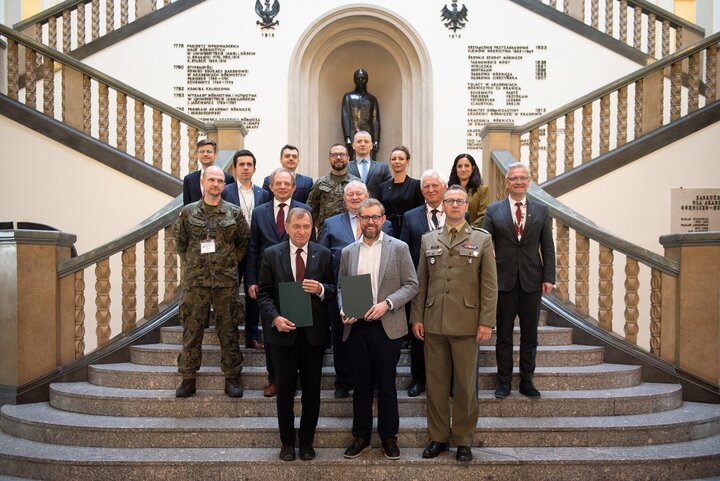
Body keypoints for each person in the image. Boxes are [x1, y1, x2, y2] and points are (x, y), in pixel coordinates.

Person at [410, 185, 497, 463]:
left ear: (466, 206)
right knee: (435, 385)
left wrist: (486, 322)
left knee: (465, 386)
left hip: (467, 324)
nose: (455, 205)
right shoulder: (428, 239)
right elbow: (421, 283)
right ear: (443, 206)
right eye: (450, 201)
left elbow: (489, 286)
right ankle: (438, 437)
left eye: (460, 201)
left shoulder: (482, 240)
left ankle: (463, 439)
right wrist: (417, 317)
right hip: (433, 323)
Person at [338, 198, 418, 460]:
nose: (370, 222)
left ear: (383, 219)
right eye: (365, 217)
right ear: (358, 219)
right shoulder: (349, 251)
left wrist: (387, 303)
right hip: (357, 327)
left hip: (387, 326)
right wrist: (343, 307)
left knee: (386, 385)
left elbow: (411, 285)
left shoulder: (399, 248)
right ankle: (360, 436)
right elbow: (341, 286)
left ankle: (388, 438)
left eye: (375, 217)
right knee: (360, 385)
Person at [256, 208, 334, 462]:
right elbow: (264, 293)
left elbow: (334, 288)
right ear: (287, 227)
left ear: (313, 229)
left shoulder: (323, 254)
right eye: (297, 226)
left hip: (313, 336)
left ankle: (307, 442)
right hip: (282, 335)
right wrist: (275, 318)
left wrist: (321, 288)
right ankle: (287, 442)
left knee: (312, 391)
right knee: (286, 391)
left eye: (307, 227)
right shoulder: (271, 254)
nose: (302, 231)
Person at [174, 166, 249, 398]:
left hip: (226, 282)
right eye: (212, 180)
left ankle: (232, 377)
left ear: (224, 185)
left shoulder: (234, 213)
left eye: (220, 181)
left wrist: (226, 263)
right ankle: (188, 378)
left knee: (229, 330)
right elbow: (181, 243)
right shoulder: (187, 213)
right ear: (202, 183)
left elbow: (242, 243)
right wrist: (195, 264)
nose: (216, 184)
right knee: (192, 329)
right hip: (196, 282)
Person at [482, 162, 556, 400]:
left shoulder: (541, 211)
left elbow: (548, 247)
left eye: (523, 178)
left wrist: (549, 277)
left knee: (530, 335)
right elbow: (485, 244)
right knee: (503, 335)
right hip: (503, 283)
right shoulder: (494, 210)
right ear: (507, 182)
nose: (519, 182)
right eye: (514, 178)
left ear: (529, 181)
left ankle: (527, 381)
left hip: (531, 282)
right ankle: (503, 381)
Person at [318, 181, 393, 399]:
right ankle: (343, 381)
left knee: (376, 341)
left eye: (359, 193)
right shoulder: (331, 223)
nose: (354, 197)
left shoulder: (383, 225)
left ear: (367, 195)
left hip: (377, 292)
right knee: (343, 339)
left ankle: (378, 380)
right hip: (343, 290)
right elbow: (323, 255)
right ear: (344, 198)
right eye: (350, 194)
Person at [246, 168, 315, 397]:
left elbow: (312, 247)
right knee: (272, 331)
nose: (283, 187)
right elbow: (253, 248)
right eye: (279, 183)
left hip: (296, 280)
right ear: (271, 186)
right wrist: (252, 280)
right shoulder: (259, 212)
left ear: (294, 187)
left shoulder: (306, 211)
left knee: (298, 331)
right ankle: (275, 379)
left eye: (288, 183)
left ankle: (298, 377)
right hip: (268, 281)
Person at [399, 170, 447, 397]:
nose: (430, 189)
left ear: (444, 187)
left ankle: (449, 380)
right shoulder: (410, 217)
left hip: (450, 284)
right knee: (419, 334)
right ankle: (419, 379)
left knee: (448, 333)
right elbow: (404, 250)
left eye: (434, 185)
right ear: (421, 191)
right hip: (420, 284)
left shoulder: (456, 211)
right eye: (426, 186)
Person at [222, 149, 272, 350]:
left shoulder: (264, 194)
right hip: (231, 253)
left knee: (254, 294)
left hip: (256, 252)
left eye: (248, 165)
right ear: (234, 168)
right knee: (229, 295)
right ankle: (230, 335)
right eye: (241, 164)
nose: (245, 168)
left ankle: (252, 335)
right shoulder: (225, 191)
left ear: (254, 168)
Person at [306, 143, 361, 231]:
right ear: (329, 159)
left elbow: (365, 207)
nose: (338, 157)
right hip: (326, 233)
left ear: (348, 158)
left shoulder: (358, 183)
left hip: (352, 233)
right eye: (334, 155)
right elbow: (311, 209)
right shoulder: (320, 183)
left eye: (342, 154)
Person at [376, 146, 424, 236]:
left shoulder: (416, 185)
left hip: (410, 229)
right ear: (390, 162)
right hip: (387, 230)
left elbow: (420, 211)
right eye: (394, 159)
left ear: (407, 161)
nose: (397, 161)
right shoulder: (383, 187)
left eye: (401, 159)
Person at [341, 68, 381, 156]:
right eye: (358, 78)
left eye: (363, 78)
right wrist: (347, 137)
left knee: (370, 164)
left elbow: (375, 121)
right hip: (353, 136)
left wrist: (376, 140)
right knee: (353, 163)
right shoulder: (348, 97)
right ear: (354, 80)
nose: (360, 80)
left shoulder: (372, 99)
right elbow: (345, 117)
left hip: (369, 136)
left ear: (367, 80)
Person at [182, 139, 234, 205]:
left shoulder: (228, 178)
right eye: (202, 151)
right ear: (197, 154)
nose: (205, 154)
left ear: (215, 154)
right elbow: (186, 205)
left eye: (209, 151)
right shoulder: (189, 179)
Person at [347, 131, 392, 199]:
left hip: (375, 207)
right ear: (353, 146)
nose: (362, 144)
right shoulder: (346, 167)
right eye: (359, 141)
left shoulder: (383, 168)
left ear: (371, 145)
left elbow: (388, 192)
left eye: (366, 142)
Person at [448, 153, 488, 227]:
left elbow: (483, 215)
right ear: (455, 169)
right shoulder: (448, 190)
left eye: (467, 166)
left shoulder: (482, 189)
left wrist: (468, 230)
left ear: (473, 168)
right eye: (459, 166)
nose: (463, 169)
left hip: (473, 233)